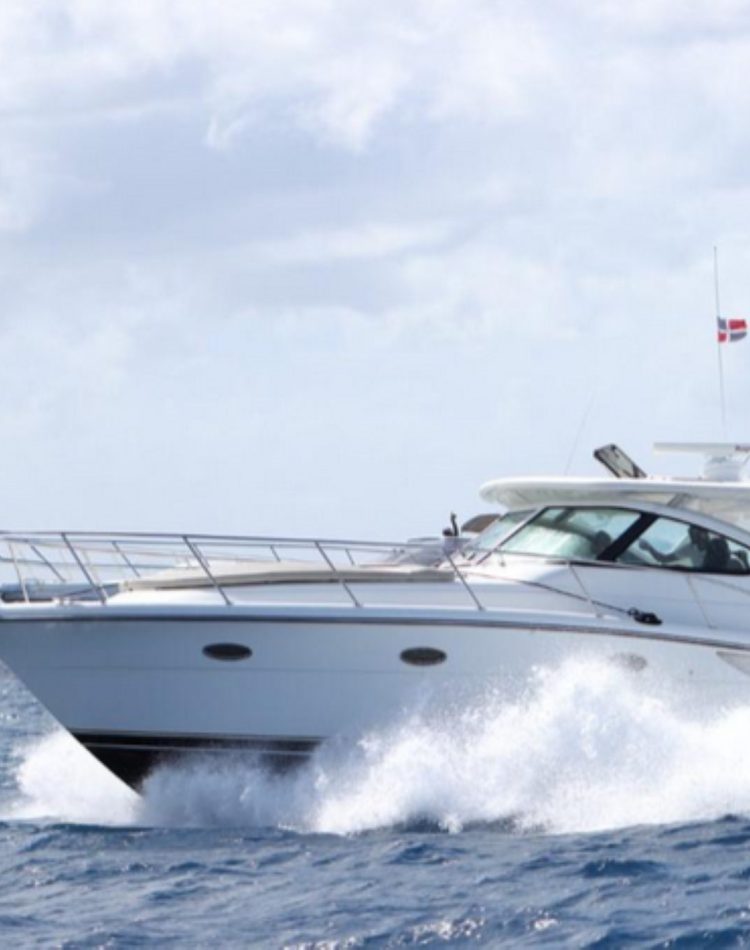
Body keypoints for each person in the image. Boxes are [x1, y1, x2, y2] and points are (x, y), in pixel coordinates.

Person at [638, 524, 709, 568]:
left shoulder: (714, 546)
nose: (691, 533)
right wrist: (649, 548)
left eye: (696, 532)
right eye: (690, 531)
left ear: (704, 533)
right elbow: (664, 559)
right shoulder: (690, 549)